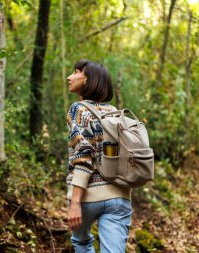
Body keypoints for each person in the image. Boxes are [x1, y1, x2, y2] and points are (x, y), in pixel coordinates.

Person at [66, 59, 133, 253]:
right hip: (119, 196)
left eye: (76, 72)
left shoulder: (79, 110)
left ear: (89, 80)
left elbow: (83, 155)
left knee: (82, 243)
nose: (70, 77)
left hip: (88, 197)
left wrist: (75, 202)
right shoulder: (115, 113)